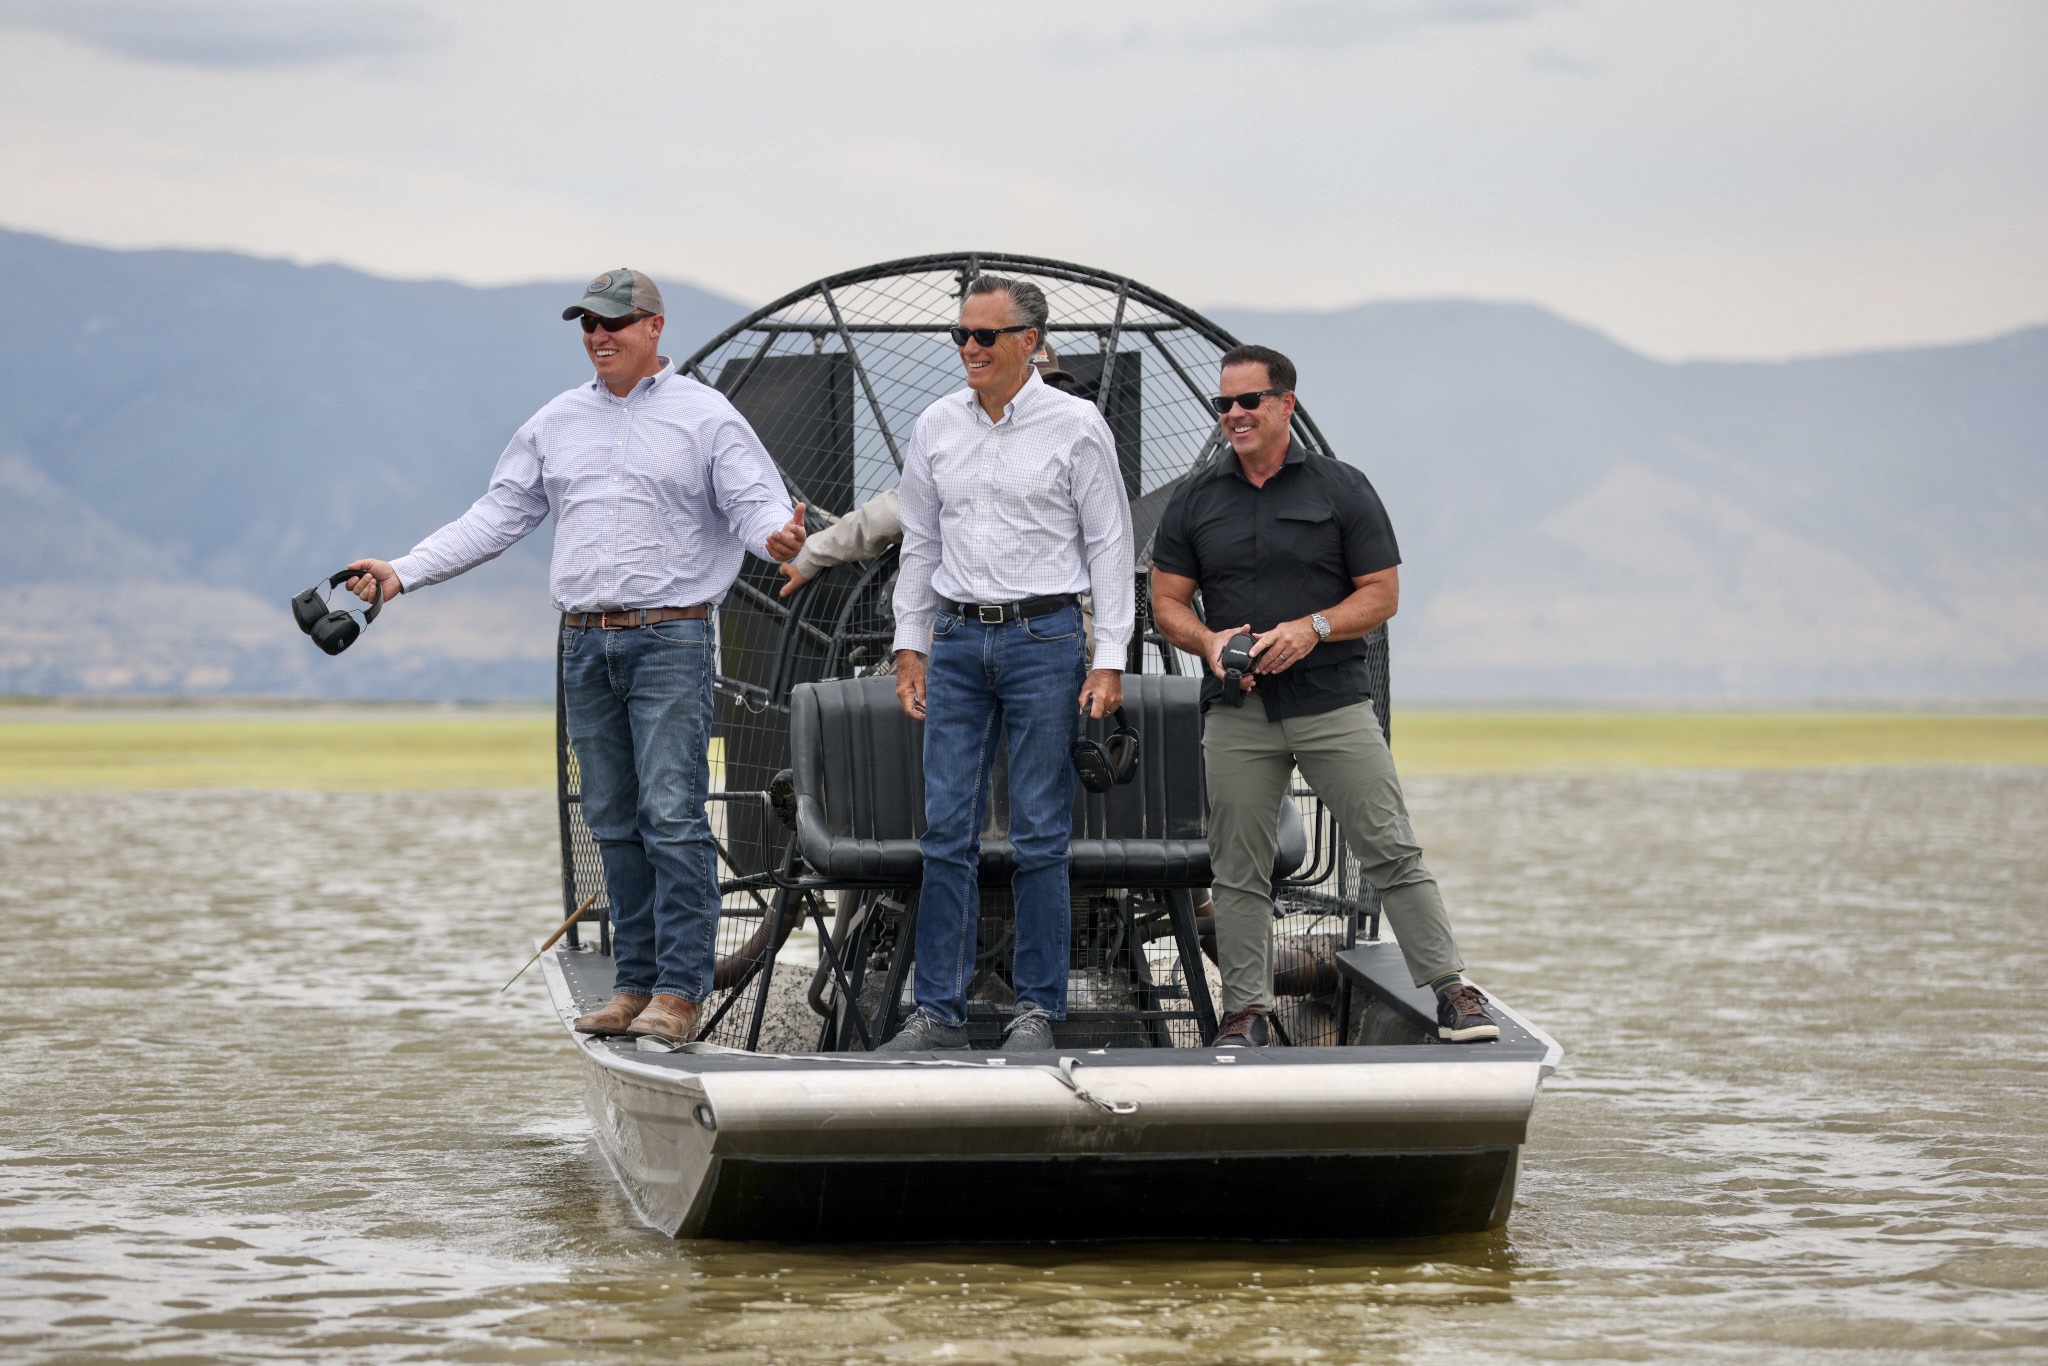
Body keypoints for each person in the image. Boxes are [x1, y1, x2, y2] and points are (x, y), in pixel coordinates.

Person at [343, 268, 807, 1044]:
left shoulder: (706, 416)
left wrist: (779, 539)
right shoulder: (556, 421)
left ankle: (680, 993)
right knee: (612, 819)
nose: (599, 335)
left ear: (655, 328)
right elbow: (497, 514)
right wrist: (403, 571)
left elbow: (758, 505)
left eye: (615, 322)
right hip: (584, 642)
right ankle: (633, 985)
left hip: (671, 636)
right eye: (588, 323)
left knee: (670, 813)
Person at [1148, 344, 1499, 1046]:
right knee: (1239, 870)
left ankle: (1453, 992)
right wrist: (1210, 644)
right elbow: (1166, 603)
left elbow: (1383, 596)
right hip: (1238, 710)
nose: (1235, 415)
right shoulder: (1196, 498)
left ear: (1286, 403)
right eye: (1224, 404)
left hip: (1333, 703)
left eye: (1249, 401)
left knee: (1391, 851)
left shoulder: (1341, 488)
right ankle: (1247, 1012)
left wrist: (1313, 628)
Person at [882, 279, 1135, 1052]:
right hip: (955, 642)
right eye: (960, 335)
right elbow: (919, 541)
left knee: (1039, 834)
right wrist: (909, 645)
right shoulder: (934, 424)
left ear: (1030, 341)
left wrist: (1112, 657)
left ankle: (1036, 1014)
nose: (969, 349)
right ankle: (938, 1016)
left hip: (1046, 640)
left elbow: (1111, 544)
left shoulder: (1078, 424)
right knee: (945, 833)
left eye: (986, 336)